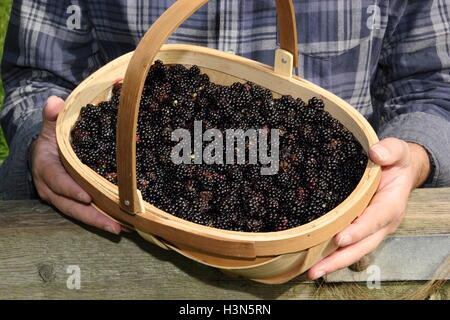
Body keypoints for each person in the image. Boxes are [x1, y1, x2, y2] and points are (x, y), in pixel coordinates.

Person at [1, 0, 449, 281]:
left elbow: (432, 87)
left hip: (315, 258)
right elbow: (37, 79)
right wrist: (39, 143)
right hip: (109, 246)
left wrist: (413, 156)